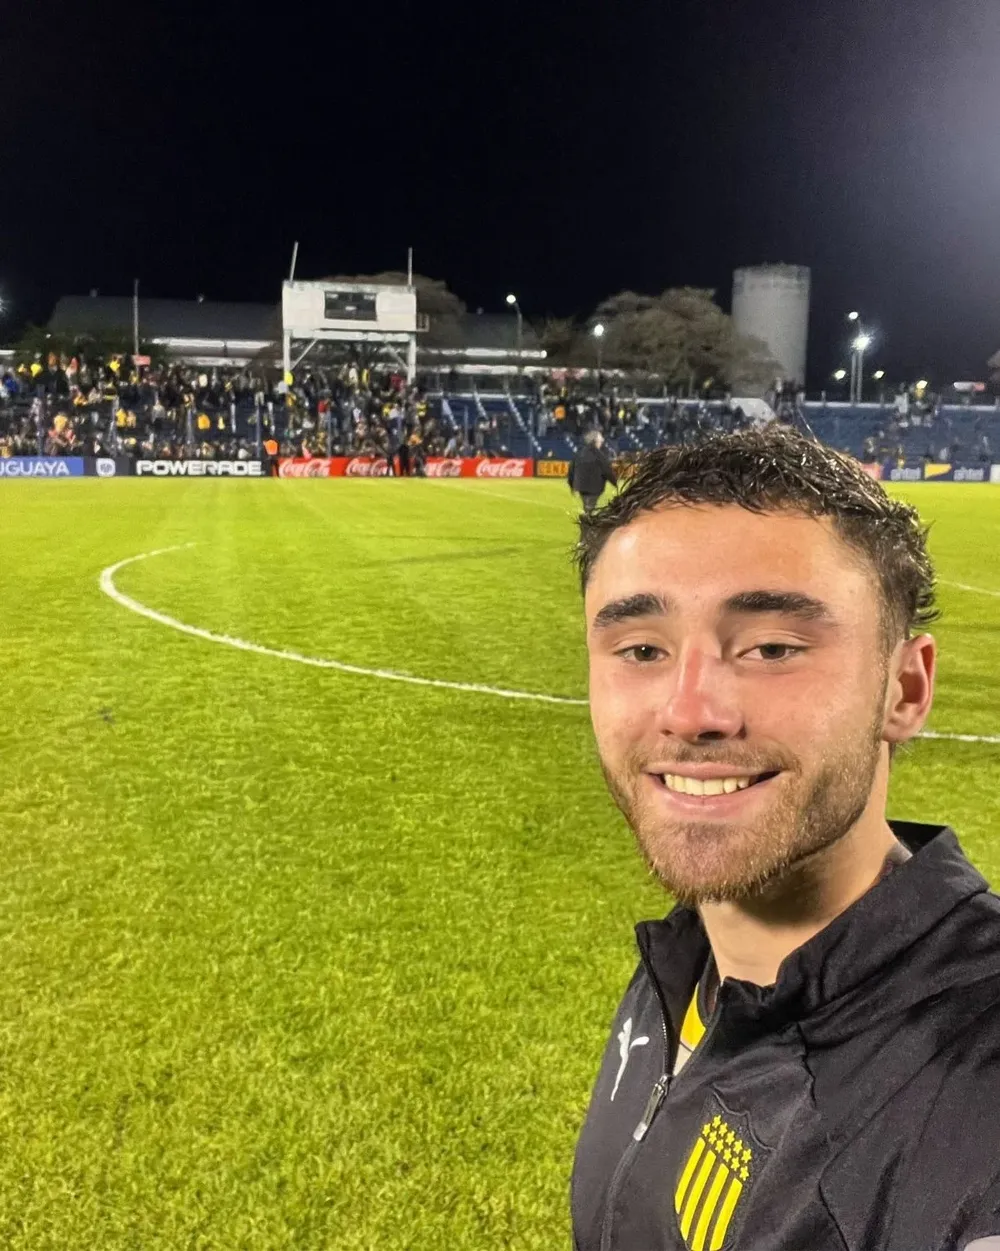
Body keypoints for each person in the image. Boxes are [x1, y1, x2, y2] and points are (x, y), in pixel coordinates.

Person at [570, 426, 1000, 1251]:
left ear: (904, 688)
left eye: (772, 647)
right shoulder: (689, 955)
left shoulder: (972, 1076)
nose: (692, 712)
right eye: (641, 649)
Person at [568, 428, 617, 513]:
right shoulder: (599, 455)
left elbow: (571, 470)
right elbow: (607, 470)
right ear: (595, 441)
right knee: (590, 506)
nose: (602, 440)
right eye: (600, 439)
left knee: (588, 505)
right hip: (595, 487)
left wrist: (572, 485)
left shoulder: (580, 453)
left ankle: (587, 514)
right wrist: (615, 483)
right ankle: (588, 517)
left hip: (581, 486)